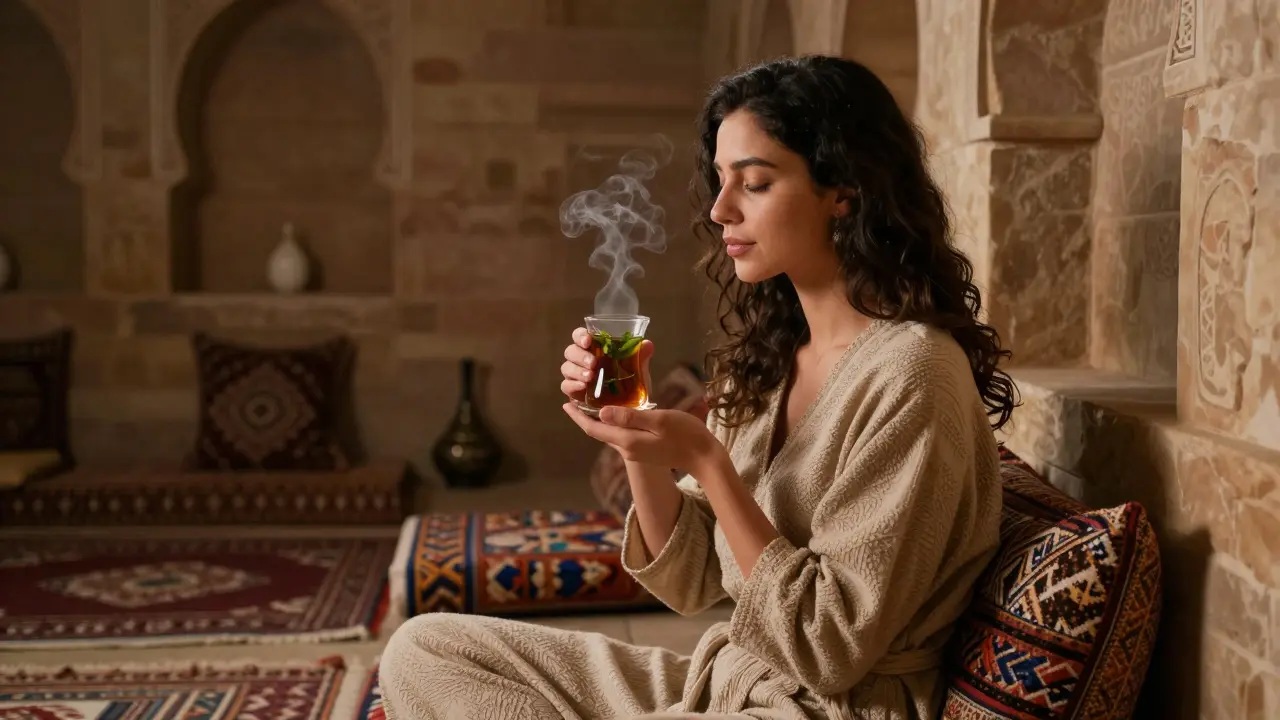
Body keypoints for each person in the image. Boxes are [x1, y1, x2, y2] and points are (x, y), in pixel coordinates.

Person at [379, 54, 1016, 720]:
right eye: (719, 181)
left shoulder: (913, 375)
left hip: (830, 708)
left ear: (844, 190)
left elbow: (831, 649)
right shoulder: (774, 357)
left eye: (756, 183)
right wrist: (636, 434)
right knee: (425, 649)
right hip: (728, 685)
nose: (720, 210)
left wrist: (708, 463)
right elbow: (690, 581)